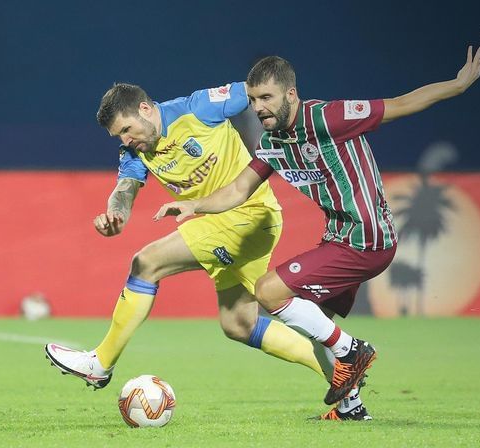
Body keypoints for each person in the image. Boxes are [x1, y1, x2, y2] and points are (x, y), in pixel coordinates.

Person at [155, 46, 480, 420]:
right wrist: (193, 206)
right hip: (341, 238)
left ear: (290, 95)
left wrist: (457, 85)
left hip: (367, 239)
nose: (259, 107)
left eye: (267, 97)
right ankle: (351, 408)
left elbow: (399, 103)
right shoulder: (272, 144)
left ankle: (352, 350)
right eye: (252, 99)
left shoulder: (328, 117)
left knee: (268, 291)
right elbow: (237, 191)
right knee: (316, 324)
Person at [44, 81, 329, 396]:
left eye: (127, 129)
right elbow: (125, 189)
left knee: (147, 263)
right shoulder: (136, 149)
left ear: (145, 109)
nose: (125, 139)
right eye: (119, 136)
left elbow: (259, 90)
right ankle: (339, 373)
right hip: (237, 226)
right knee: (239, 324)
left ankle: (101, 363)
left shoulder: (198, 108)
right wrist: (116, 215)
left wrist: (300, 131)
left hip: (249, 216)